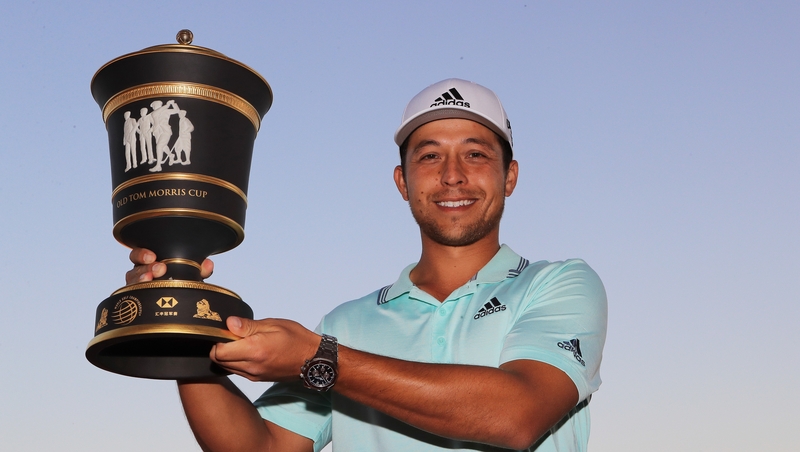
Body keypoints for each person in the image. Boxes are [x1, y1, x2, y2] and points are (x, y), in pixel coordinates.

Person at [127, 79, 607, 451]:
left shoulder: (559, 283)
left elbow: (517, 415)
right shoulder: (347, 325)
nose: (452, 175)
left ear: (511, 177)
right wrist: (181, 320)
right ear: (402, 181)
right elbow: (262, 446)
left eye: (476, 154)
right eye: (430, 155)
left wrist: (321, 360)